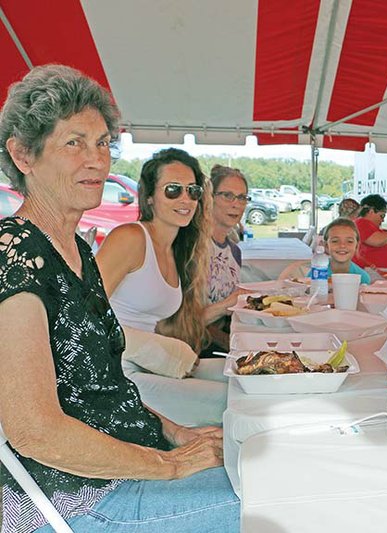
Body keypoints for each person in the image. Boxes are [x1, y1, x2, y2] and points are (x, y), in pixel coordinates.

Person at [0, 65, 238, 533]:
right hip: (70, 498)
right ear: (24, 155)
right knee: (282, 500)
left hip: (123, 463)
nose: (96, 160)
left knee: (269, 459)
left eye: (103, 142)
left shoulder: (77, 252)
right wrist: (167, 464)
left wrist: (176, 434)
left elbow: (105, 388)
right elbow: (35, 431)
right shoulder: (15, 255)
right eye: (74, 143)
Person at [97, 148, 211, 353]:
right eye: (173, 190)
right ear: (149, 196)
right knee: (231, 386)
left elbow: (154, 322)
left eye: (193, 190)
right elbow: (86, 311)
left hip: (147, 362)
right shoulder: (131, 238)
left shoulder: (176, 250)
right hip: (116, 364)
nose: (186, 199)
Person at [203, 164, 253, 355]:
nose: (236, 204)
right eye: (227, 195)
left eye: (242, 197)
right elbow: (179, 322)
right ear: (210, 197)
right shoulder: (194, 249)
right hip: (196, 349)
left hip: (223, 343)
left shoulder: (234, 252)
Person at [318, 217, 371, 284]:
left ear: (356, 246)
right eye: (335, 241)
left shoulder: (363, 278)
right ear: (326, 246)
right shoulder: (316, 274)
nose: (342, 245)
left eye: (349, 241)